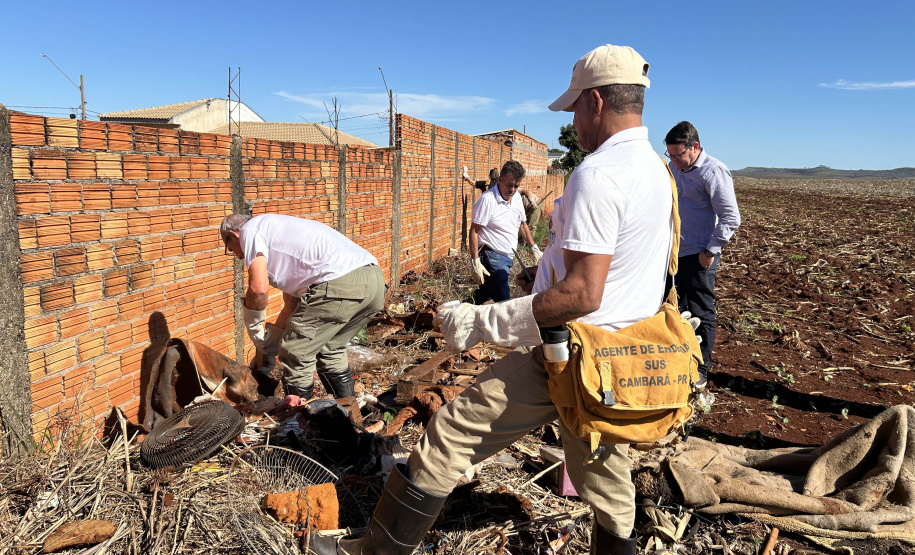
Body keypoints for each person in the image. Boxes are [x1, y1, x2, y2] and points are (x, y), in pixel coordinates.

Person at [314, 44, 667, 555]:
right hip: (621, 363)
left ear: (594, 101)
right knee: (607, 478)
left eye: (573, 109)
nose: (573, 121)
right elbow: (627, 271)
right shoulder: (658, 172)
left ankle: (377, 551)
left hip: (570, 355)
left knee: (451, 435)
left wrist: (483, 323)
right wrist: (542, 276)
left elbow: (584, 293)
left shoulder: (600, 172)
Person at [220, 213, 385, 401]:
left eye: (231, 250)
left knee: (295, 352)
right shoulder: (281, 235)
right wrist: (268, 345)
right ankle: (349, 416)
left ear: (233, 235)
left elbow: (258, 290)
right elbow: (292, 306)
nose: (239, 257)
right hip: (374, 282)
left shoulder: (250, 230)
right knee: (330, 349)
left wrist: (254, 328)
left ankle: (299, 426)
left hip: (339, 283)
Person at [664, 121, 741, 388]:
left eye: (678, 155)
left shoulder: (713, 172)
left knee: (700, 310)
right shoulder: (675, 167)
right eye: (670, 155)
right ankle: (678, 360)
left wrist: (710, 251)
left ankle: (701, 369)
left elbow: (731, 217)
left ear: (694, 147)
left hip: (699, 254)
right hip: (673, 253)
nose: (673, 160)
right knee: (673, 307)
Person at [468, 160, 543, 304]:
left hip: (507, 257)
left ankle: (469, 313)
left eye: (516, 186)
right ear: (500, 180)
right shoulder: (487, 200)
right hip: (491, 256)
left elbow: (522, 225)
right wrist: (475, 260)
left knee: (486, 295)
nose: (512, 190)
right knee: (504, 302)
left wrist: (534, 248)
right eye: (509, 185)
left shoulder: (515, 198)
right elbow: (474, 231)